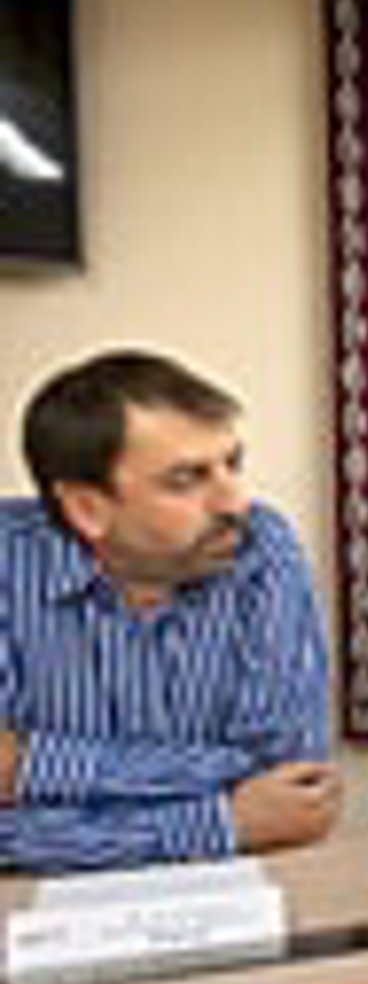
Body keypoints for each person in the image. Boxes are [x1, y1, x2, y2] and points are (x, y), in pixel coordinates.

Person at [0, 350, 337, 873]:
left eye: (232, 465)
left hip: (234, 894)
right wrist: (225, 820)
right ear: (87, 508)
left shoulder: (261, 548)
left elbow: (295, 793)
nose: (234, 503)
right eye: (186, 480)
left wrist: (30, 767)